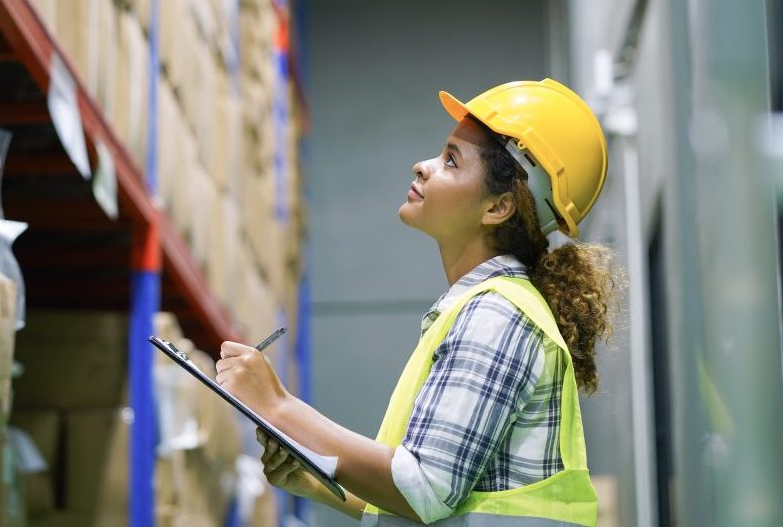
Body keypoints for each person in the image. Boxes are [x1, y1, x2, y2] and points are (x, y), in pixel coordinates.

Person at [216, 79, 620, 526]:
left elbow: (424, 488)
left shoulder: (497, 316)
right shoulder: (481, 309)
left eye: (451, 160)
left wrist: (278, 406)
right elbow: (438, 507)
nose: (423, 166)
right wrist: (318, 483)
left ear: (498, 207)